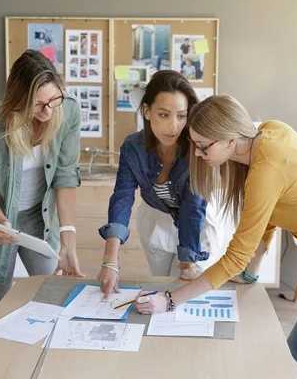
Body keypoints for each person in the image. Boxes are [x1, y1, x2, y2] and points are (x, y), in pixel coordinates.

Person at [134, 95, 297, 379]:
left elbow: (235, 256)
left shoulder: (265, 170)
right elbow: (269, 217)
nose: (198, 155)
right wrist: (251, 273)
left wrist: (170, 300)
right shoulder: (271, 132)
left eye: (203, 147)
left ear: (230, 140)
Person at [0, 50, 84, 321]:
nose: (48, 110)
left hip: (39, 221)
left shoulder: (69, 110)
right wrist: (2, 222)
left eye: (54, 99)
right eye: (38, 104)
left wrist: (68, 240)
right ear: (19, 100)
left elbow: (65, 174)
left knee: (51, 299)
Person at [97, 70, 228, 300]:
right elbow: (122, 197)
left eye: (181, 116)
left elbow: (192, 207)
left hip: (198, 224)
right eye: (164, 115)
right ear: (147, 111)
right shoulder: (132, 147)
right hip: (155, 220)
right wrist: (110, 260)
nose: (174, 126)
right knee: (162, 285)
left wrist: (188, 261)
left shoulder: (196, 148)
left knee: (188, 294)